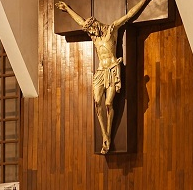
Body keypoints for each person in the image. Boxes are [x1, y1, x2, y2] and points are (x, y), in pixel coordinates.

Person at [54, 0, 151, 154]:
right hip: (100, 72)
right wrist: (67, 8)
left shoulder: (112, 29)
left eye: (90, 29)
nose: (90, 32)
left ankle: (109, 134)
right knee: (97, 102)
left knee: (108, 103)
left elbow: (129, 15)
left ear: (95, 25)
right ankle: (105, 135)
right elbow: (80, 22)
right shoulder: (94, 37)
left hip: (112, 70)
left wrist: (144, 1)